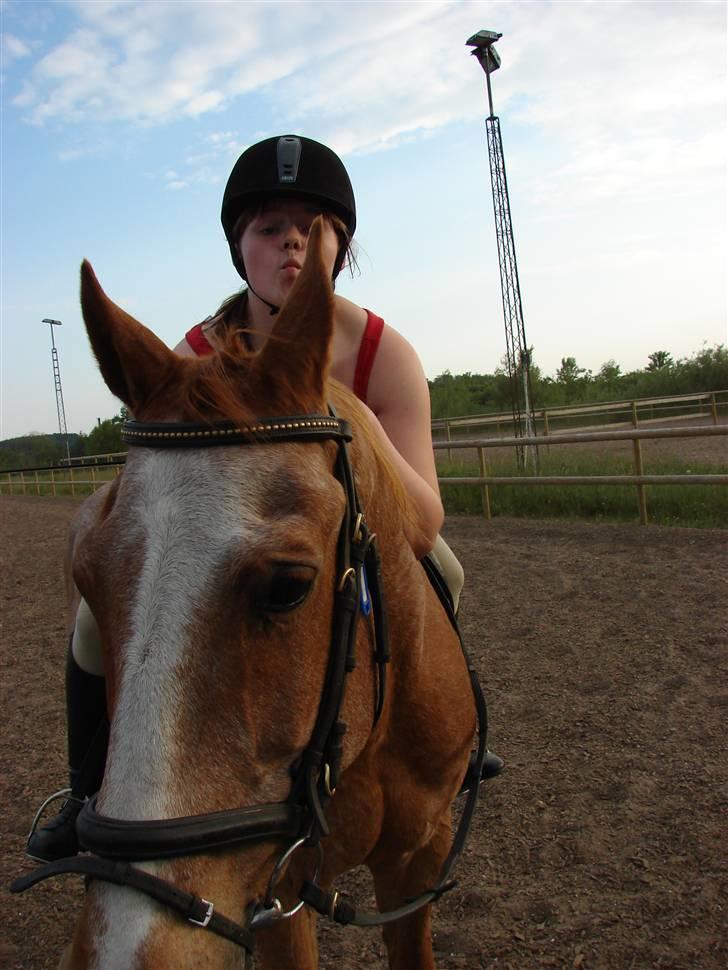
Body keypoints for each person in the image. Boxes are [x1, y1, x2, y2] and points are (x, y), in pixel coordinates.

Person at [27, 135, 501, 863]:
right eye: (270, 228)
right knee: (93, 628)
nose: (292, 245)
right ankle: (86, 788)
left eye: (312, 229)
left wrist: (351, 412)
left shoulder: (384, 353)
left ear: (340, 245)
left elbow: (424, 520)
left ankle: (443, 743)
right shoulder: (196, 355)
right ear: (239, 247)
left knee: (452, 572)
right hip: (254, 539)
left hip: (369, 535)